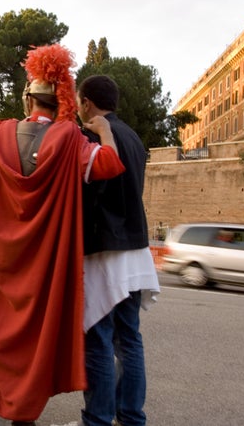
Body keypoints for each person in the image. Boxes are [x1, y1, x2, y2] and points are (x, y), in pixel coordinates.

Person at [0, 44, 126, 426]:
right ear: (60, 101)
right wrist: (105, 132)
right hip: (43, 264)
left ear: (28, 98)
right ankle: (24, 415)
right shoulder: (72, 140)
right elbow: (110, 163)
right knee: (33, 337)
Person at [72, 75, 160, 426]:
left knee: (98, 339)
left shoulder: (93, 137)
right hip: (136, 249)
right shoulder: (135, 138)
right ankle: (131, 417)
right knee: (129, 340)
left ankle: (98, 418)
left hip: (104, 249)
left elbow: (88, 195)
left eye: (79, 102)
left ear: (87, 103)